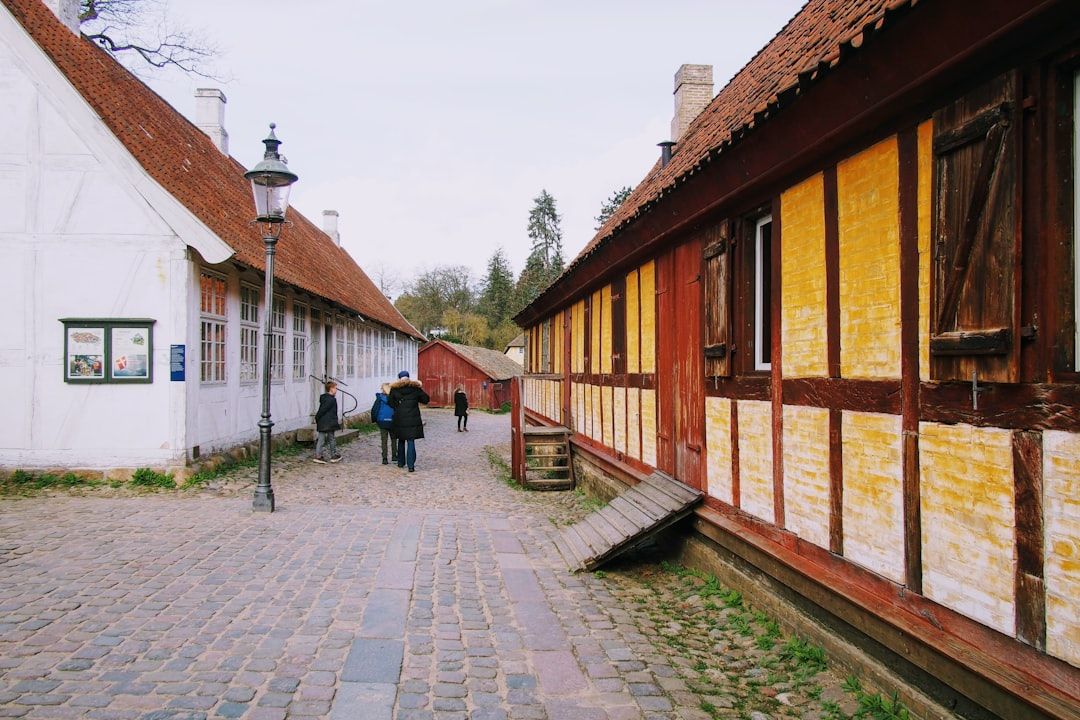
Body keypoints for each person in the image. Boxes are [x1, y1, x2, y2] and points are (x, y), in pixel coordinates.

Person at [388, 370, 429, 473]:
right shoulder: (415, 388)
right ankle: (411, 466)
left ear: (399, 379)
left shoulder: (394, 389)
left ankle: (401, 462)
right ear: (409, 378)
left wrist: (398, 407)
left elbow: (390, 403)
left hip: (400, 418)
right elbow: (426, 399)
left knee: (401, 440)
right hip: (412, 419)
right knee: (411, 441)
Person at [313, 380, 342, 464]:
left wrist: (318, 418)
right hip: (329, 422)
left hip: (323, 422)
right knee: (331, 439)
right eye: (335, 388)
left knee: (321, 439)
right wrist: (317, 417)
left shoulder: (324, 398)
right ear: (331, 388)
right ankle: (333, 455)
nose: (336, 390)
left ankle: (318, 456)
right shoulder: (331, 400)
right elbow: (323, 410)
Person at [371, 382, 398, 465]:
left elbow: (374, 409)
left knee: (384, 440)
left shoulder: (379, 398)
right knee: (394, 439)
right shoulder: (394, 398)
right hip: (393, 421)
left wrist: (374, 419)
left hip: (382, 421)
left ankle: (384, 458)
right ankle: (394, 456)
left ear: (383, 389)